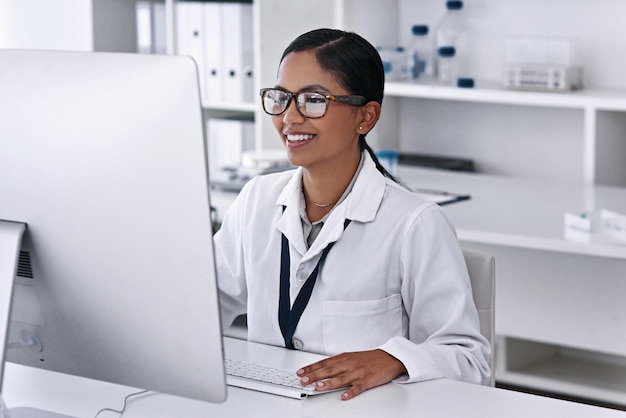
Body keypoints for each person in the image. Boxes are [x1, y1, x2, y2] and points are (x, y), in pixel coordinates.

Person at [214, 28, 491, 400]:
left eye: (314, 100)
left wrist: (393, 359)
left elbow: (470, 359)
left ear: (366, 117)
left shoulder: (414, 223)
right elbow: (203, 302)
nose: (290, 117)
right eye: (281, 98)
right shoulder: (256, 200)